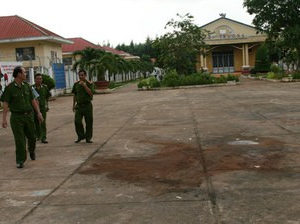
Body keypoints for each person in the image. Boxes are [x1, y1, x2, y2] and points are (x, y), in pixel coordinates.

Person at [1, 66, 43, 168]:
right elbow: (5, 104)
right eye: (24, 72)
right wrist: (4, 119)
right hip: (17, 118)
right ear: (19, 74)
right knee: (20, 140)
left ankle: (32, 151)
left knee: (32, 137)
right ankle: (20, 160)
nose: (26, 74)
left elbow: (33, 100)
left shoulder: (27, 86)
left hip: (29, 116)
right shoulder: (9, 88)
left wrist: (38, 113)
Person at [72, 69, 95, 143]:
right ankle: (81, 136)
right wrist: (73, 105)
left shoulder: (89, 83)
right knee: (77, 121)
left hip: (87, 105)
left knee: (89, 122)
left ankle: (88, 138)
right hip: (79, 106)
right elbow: (75, 95)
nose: (81, 76)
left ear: (85, 75)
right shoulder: (76, 84)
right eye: (79, 75)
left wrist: (85, 86)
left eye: (82, 75)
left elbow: (91, 94)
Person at [32, 73, 51, 143]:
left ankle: (43, 137)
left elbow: (47, 97)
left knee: (42, 122)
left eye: (40, 79)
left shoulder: (45, 87)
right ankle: (38, 135)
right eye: (37, 79)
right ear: (35, 80)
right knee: (36, 122)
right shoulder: (32, 88)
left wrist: (47, 105)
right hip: (34, 108)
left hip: (42, 108)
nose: (39, 80)